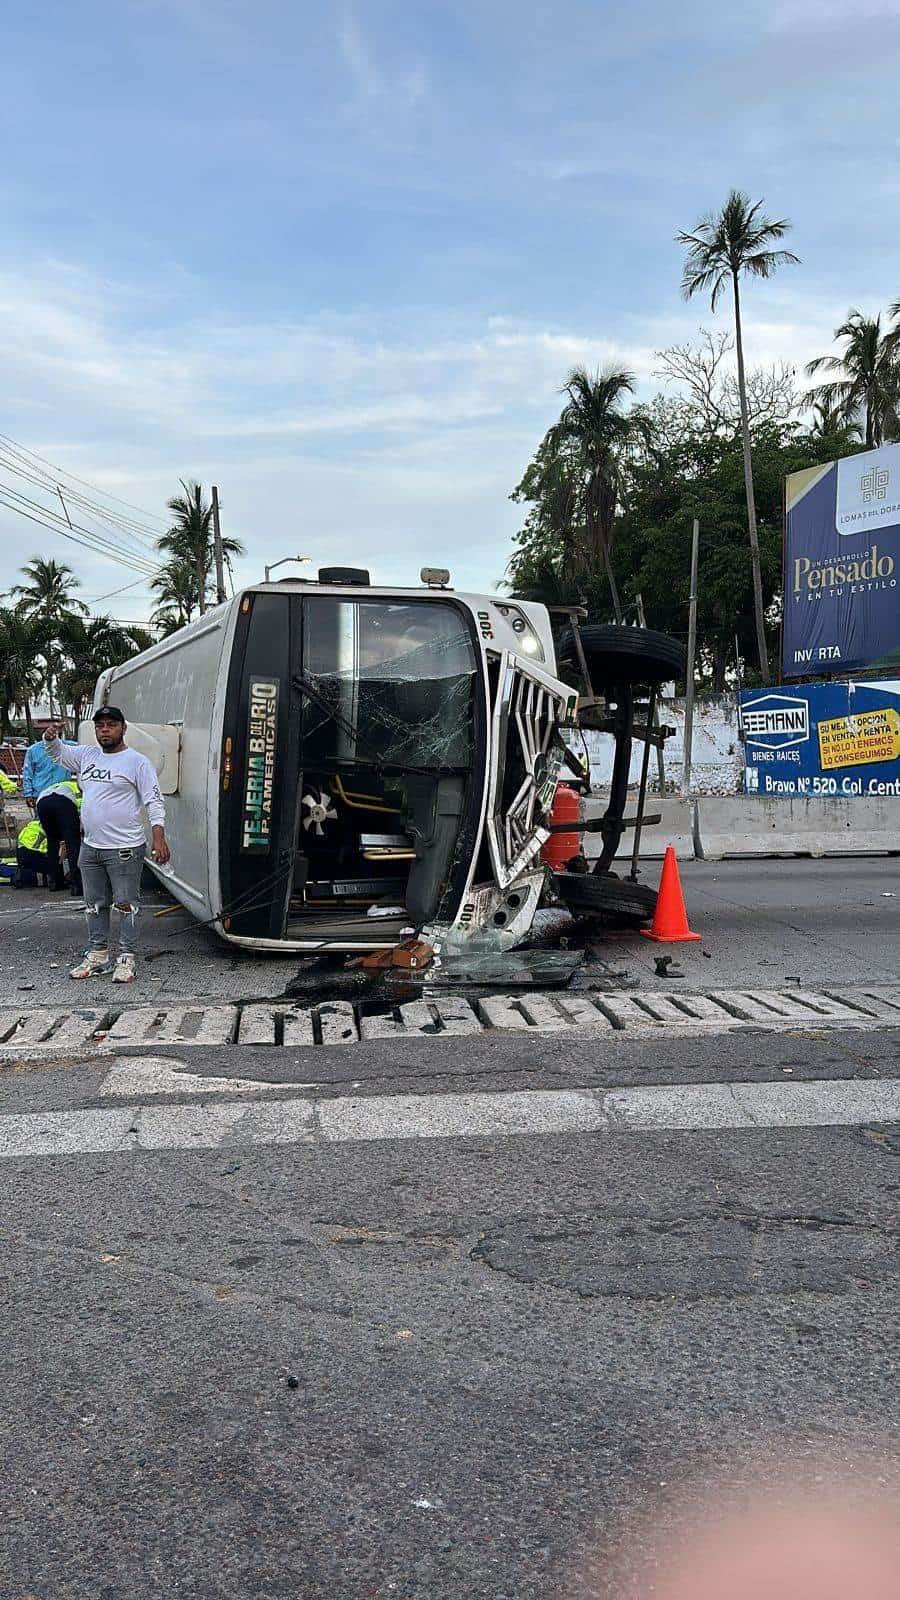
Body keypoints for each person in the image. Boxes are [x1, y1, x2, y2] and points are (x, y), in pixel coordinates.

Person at [42, 707, 171, 984]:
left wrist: (159, 837)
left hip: (125, 848)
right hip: (91, 848)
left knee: (126, 904)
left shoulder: (137, 762)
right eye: (100, 725)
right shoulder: (87, 755)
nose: (105, 729)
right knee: (94, 905)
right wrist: (51, 738)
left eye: (111, 725)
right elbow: (59, 754)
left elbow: (154, 800)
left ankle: (126, 958)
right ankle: (98, 955)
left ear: (123, 728)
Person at [35, 778, 83, 894]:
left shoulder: (62, 785)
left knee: (52, 842)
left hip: (42, 802)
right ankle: (77, 885)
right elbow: (84, 811)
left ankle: (55, 882)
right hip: (63, 802)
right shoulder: (82, 788)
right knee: (72, 842)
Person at [22, 725, 75, 812]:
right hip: (40, 795)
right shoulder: (33, 750)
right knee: (40, 823)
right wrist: (28, 794)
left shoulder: (69, 747)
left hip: (63, 794)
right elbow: (28, 773)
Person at [14, 814, 55, 888]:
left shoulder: (30, 825)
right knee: (55, 863)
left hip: (21, 858)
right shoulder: (48, 827)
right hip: (34, 858)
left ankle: (20, 877)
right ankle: (50, 881)